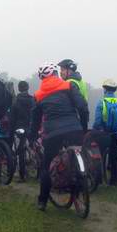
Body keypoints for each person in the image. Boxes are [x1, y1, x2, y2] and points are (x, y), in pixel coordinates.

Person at [29, 63, 89, 211]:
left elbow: (35, 121)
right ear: (56, 74)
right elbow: (82, 106)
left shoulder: (37, 95)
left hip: (52, 132)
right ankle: (82, 180)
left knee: (46, 165)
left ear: (42, 78)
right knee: (78, 153)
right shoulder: (68, 86)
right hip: (74, 128)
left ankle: (42, 201)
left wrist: (32, 137)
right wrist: (83, 127)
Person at [91, 80, 117, 186]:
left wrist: (95, 129)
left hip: (104, 134)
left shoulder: (101, 102)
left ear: (105, 89)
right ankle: (114, 181)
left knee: (100, 155)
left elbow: (98, 120)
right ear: (114, 91)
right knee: (114, 157)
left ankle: (99, 179)